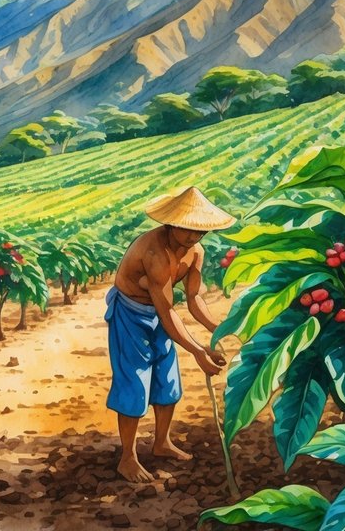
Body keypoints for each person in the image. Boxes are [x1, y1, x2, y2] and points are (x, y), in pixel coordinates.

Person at [105, 186, 234, 483]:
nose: (193, 237)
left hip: (159, 314)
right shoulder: (155, 253)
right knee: (134, 382)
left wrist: (217, 331)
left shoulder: (195, 252)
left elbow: (194, 297)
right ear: (171, 224)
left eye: (199, 232)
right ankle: (128, 458)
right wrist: (199, 351)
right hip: (131, 315)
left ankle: (161, 442)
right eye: (188, 229)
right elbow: (167, 311)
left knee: (167, 379)